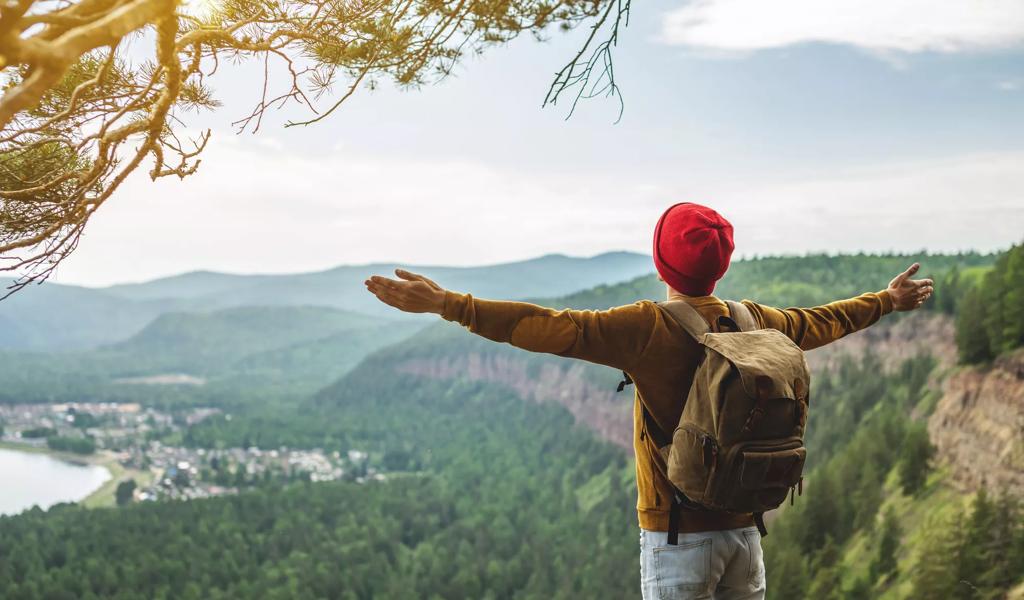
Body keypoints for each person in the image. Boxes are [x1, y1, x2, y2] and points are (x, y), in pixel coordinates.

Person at [364, 202, 934, 599]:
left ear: (662, 261)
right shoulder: (758, 320)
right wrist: (886, 300)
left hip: (678, 536)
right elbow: (824, 320)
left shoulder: (645, 328)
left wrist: (449, 304)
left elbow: (545, 325)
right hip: (745, 534)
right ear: (723, 264)